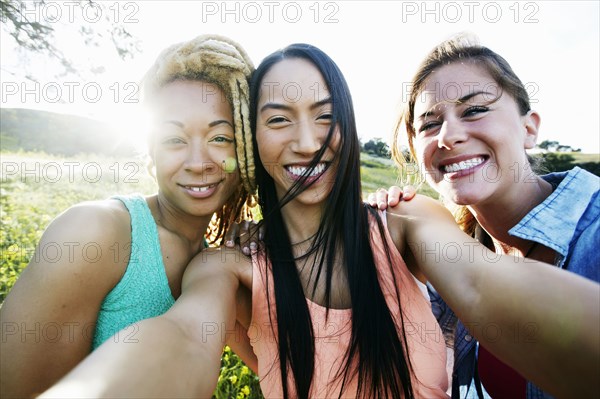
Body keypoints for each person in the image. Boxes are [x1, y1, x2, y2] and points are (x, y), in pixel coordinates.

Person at [40, 42, 599, 399]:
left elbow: (481, 281)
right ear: (253, 139)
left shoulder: (404, 222)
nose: (307, 142)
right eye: (278, 119)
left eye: (326, 117)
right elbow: (184, 336)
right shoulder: (229, 264)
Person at [0, 34, 259, 399]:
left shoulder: (213, 260)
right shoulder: (94, 234)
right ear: (150, 150)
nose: (199, 163)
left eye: (221, 139)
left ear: (247, 150)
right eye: (174, 140)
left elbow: (286, 369)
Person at [372, 33, 600, 399]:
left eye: (475, 110)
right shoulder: (447, 257)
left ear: (529, 128)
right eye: (429, 124)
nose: (448, 136)